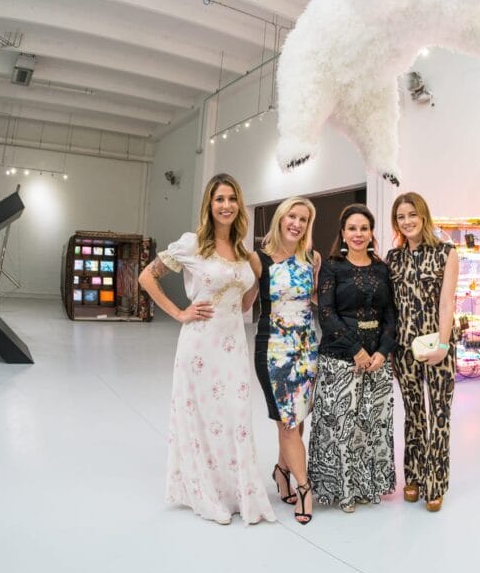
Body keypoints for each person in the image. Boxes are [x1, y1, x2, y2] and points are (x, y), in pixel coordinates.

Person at [138, 173, 275, 526]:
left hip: (233, 347)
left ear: (239, 205)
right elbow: (146, 277)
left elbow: (244, 304)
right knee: (204, 419)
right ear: (209, 206)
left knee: (235, 417)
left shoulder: (244, 254)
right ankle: (207, 494)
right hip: (199, 346)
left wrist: (257, 277)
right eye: (219, 199)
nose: (226, 205)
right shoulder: (192, 245)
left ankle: (237, 493)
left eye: (232, 198)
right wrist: (179, 313)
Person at [307, 203, 396, 513]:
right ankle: (342, 490)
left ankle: (368, 487)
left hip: (378, 362)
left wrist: (382, 352)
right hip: (340, 359)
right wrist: (356, 351)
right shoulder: (333, 267)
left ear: (372, 232)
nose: (358, 234)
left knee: (372, 426)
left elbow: (391, 315)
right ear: (343, 233)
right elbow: (327, 313)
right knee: (342, 426)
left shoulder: (383, 268)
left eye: (364, 228)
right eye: (352, 228)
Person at [386, 192, 459, 512]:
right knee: (414, 415)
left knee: (438, 416)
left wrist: (443, 345)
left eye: (412, 214)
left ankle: (436, 482)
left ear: (423, 215)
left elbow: (447, 303)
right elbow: (391, 306)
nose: (407, 221)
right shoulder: (393, 258)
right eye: (401, 217)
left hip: (439, 345)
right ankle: (413, 475)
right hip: (404, 349)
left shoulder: (446, 253)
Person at [250, 196, 320, 525]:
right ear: (280, 218)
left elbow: (319, 300)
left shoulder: (312, 258)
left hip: (307, 349)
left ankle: (281, 470)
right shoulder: (258, 258)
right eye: (292, 216)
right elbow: (245, 299)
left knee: (296, 420)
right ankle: (305, 488)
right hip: (274, 349)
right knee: (289, 424)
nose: (297, 223)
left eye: (303, 219)